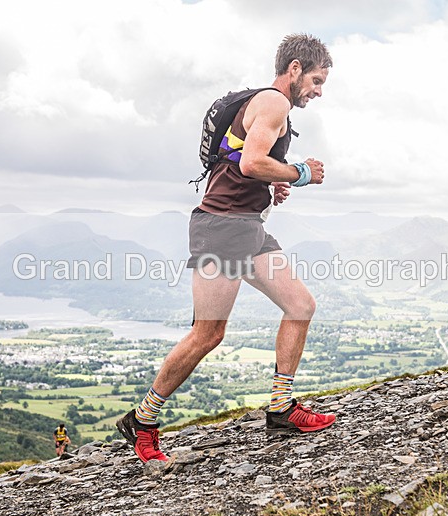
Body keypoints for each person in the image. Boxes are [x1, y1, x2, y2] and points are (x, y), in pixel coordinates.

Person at [117, 33, 336, 463]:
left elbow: (236, 158)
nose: (318, 90)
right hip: (222, 228)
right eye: (316, 79)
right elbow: (252, 161)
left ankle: (281, 406)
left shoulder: (262, 104)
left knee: (300, 305)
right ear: (294, 69)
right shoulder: (275, 103)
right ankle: (142, 420)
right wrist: (299, 172)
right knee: (209, 333)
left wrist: (274, 179)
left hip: (247, 227)